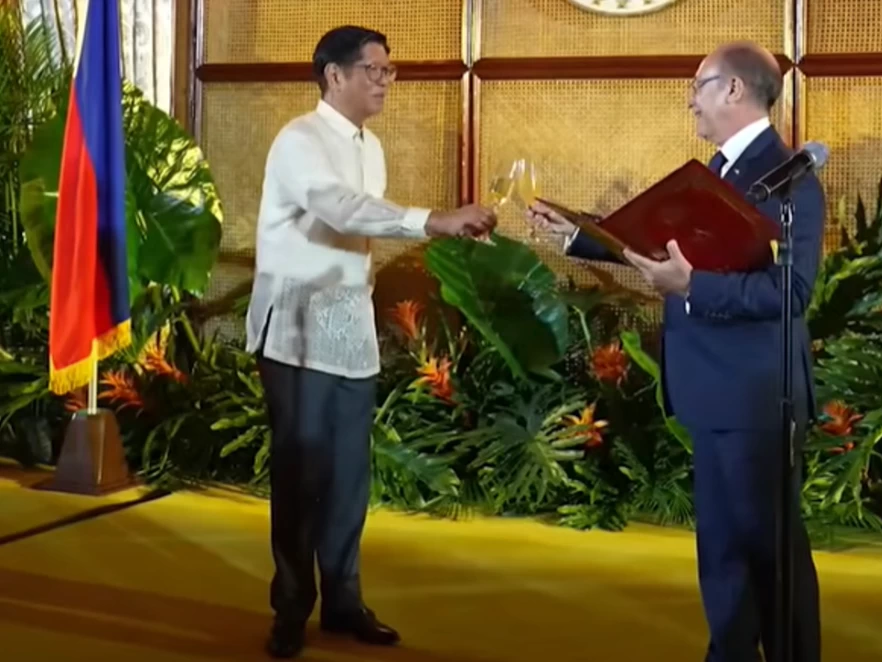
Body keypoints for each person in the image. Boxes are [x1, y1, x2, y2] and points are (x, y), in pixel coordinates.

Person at [526, 41, 824, 662]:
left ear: (735, 90)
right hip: (712, 390)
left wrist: (694, 286)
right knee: (722, 547)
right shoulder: (717, 173)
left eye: (699, 84)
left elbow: (789, 291)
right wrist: (584, 237)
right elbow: (665, 250)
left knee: (769, 551)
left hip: (755, 393)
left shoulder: (786, 176)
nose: (690, 98)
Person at [246, 25, 496, 659]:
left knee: (350, 477)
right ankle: (290, 609)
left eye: (389, 71)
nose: (385, 81)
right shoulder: (298, 139)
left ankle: (345, 601)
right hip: (298, 330)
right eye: (374, 70)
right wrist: (434, 219)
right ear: (334, 76)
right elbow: (341, 209)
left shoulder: (371, 145)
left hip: (348, 328)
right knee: (300, 477)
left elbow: (360, 220)